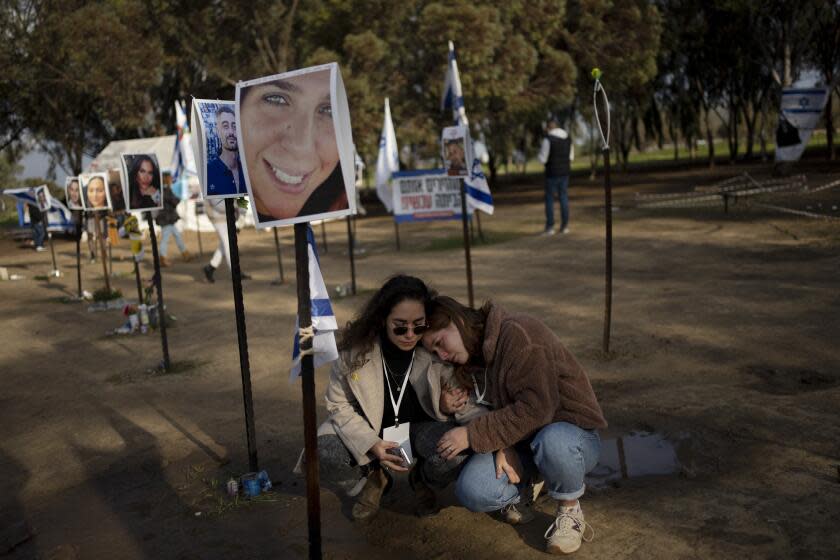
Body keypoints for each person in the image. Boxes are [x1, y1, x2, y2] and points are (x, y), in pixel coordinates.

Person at [422, 297, 607, 555]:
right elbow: (493, 412)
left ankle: (569, 509)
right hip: (524, 441)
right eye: (434, 351)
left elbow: (538, 408)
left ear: (458, 321)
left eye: (440, 343)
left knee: (553, 440)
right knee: (473, 490)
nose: (441, 355)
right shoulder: (471, 359)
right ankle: (529, 483)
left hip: (572, 435)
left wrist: (473, 434)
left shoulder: (519, 333)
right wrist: (448, 404)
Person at [318, 275, 483, 521]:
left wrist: (444, 406)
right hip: (372, 430)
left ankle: (422, 479)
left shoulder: (436, 349)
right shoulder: (355, 351)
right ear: (382, 318)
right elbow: (337, 403)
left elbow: (468, 407)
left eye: (418, 325)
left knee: (457, 450)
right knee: (325, 451)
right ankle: (374, 478)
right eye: (399, 325)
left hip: (418, 430)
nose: (409, 334)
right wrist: (370, 442)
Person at [239, 68, 348, 223]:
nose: (301, 147)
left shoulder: (338, 202)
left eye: (328, 110)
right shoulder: (227, 208)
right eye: (276, 100)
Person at [537, 119, 574, 235]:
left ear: (548, 128)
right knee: (563, 198)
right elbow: (571, 157)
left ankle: (550, 227)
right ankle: (564, 226)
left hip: (552, 173)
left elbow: (543, 159)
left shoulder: (548, 140)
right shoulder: (568, 139)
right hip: (565, 173)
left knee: (549, 199)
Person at [201, 198, 250, 283]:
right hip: (218, 218)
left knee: (224, 244)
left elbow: (241, 197)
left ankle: (210, 267)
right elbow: (219, 205)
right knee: (229, 243)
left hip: (231, 217)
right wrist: (235, 203)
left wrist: (242, 216)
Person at [206, 105, 246, 196]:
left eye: (234, 126)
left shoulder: (248, 170)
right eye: (225, 126)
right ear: (218, 131)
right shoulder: (208, 172)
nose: (231, 132)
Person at [155, 182, 192, 267]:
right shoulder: (166, 191)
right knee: (166, 238)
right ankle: (162, 258)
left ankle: (185, 254)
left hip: (167, 218)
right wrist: (179, 197)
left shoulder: (161, 191)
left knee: (177, 236)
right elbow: (174, 201)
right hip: (166, 219)